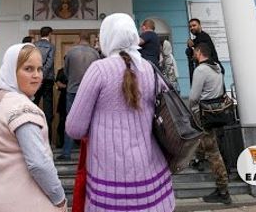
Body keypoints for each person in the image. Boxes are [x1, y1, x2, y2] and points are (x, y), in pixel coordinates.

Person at [66, 13, 175, 212]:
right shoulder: (149, 69)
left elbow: (74, 128)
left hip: (110, 178)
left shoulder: (99, 70)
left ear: (106, 37)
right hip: (152, 176)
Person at [0, 43, 67, 212]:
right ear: (12, 71)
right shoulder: (21, 107)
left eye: (39, 69)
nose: (36, 75)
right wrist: (60, 199)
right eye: (28, 69)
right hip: (24, 202)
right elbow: (39, 164)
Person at [189, 42, 231, 205]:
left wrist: (193, 111)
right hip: (216, 113)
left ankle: (223, 191)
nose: (193, 54)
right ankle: (197, 159)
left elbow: (194, 97)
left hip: (204, 115)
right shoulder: (217, 67)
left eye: (194, 51)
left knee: (213, 153)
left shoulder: (201, 70)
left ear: (199, 52)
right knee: (206, 142)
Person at [58, 31, 100, 160]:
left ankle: (66, 153)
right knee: (92, 122)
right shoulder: (95, 53)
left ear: (79, 38)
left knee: (70, 120)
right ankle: (92, 153)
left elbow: (66, 72)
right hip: (90, 90)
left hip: (73, 90)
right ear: (89, 39)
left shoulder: (71, 52)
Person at [33, 26, 55, 143]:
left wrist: (37, 75)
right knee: (48, 110)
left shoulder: (34, 45)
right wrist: (42, 75)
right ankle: (48, 140)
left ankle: (33, 137)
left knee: (33, 105)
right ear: (49, 34)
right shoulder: (51, 46)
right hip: (47, 80)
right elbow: (49, 63)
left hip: (35, 78)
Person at [186, 18, 222, 84]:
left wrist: (192, 45)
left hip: (211, 71)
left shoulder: (204, 37)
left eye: (194, 25)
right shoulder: (199, 38)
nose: (192, 28)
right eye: (190, 27)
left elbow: (199, 44)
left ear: (200, 26)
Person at [55, 66, 68, 148]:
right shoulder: (62, 71)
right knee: (62, 121)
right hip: (64, 98)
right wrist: (67, 87)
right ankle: (61, 142)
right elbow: (58, 83)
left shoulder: (75, 70)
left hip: (71, 97)